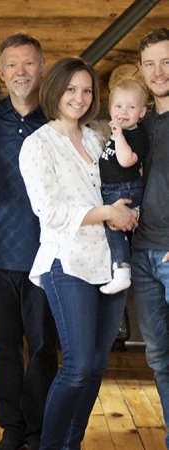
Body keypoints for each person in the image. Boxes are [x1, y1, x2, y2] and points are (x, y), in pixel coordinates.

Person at [19, 57, 138, 450]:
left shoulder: (95, 138)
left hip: (108, 262)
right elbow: (48, 211)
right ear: (55, 90)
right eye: (71, 89)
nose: (79, 97)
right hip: (66, 262)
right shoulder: (37, 144)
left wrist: (126, 209)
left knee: (97, 367)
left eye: (87, 90)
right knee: (78, 365)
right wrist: (108, 213)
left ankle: (72, 444)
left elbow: (115, 184)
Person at [0, 33, 58, 450]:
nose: (21, 72)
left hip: (47, 255)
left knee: (43, 348)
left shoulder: (60, 119)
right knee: (5, 347)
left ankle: (40, 430)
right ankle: (11, 429)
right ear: (1, 72)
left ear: (42, 68)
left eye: (29, 64)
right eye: (12, 64)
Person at [132, 27, 169, 450]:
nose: (158, 71)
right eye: (149, 63)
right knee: (158, 356)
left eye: (165, 60)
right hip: (141, 252)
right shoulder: (141, 120)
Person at [99, 78, 149, 295]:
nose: (123, 111)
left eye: (131, 107)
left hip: (124, 188)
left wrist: (118, 135)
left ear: (142, 112)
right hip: (114, 188)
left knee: (114, 230)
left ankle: (122, 272)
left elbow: (126, 160)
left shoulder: (136, 134)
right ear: (110, 109)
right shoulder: (118, 131)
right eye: (118, 106)